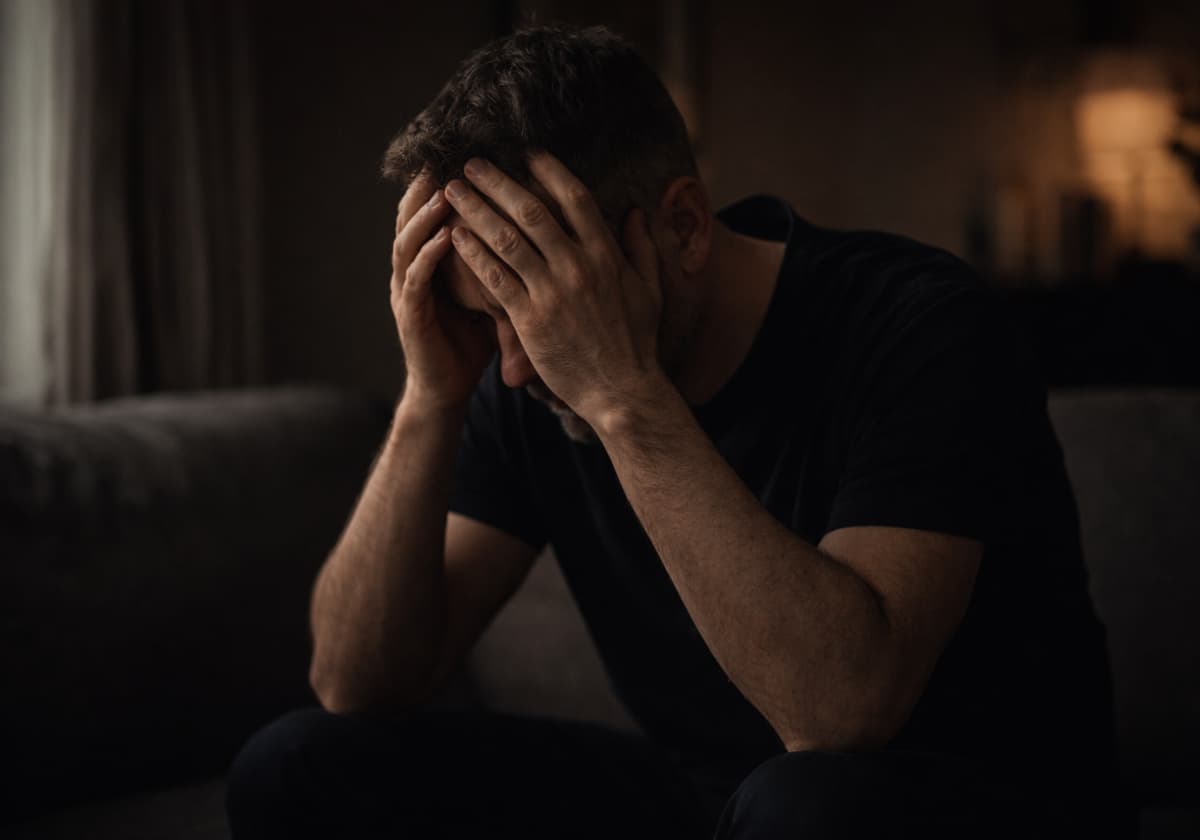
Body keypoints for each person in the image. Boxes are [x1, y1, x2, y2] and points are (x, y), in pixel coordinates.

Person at [225, 23, 1129, 840]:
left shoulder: (920, 324)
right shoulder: (518, 371)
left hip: (964, 801)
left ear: (685, 227)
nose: (516, 366)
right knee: (297, 762)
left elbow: (841, 713)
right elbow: (356, 682)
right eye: (488, 314)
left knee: (804, 805)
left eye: (542, 304)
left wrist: (625, 397)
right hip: (707, 799)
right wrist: (429, 396)